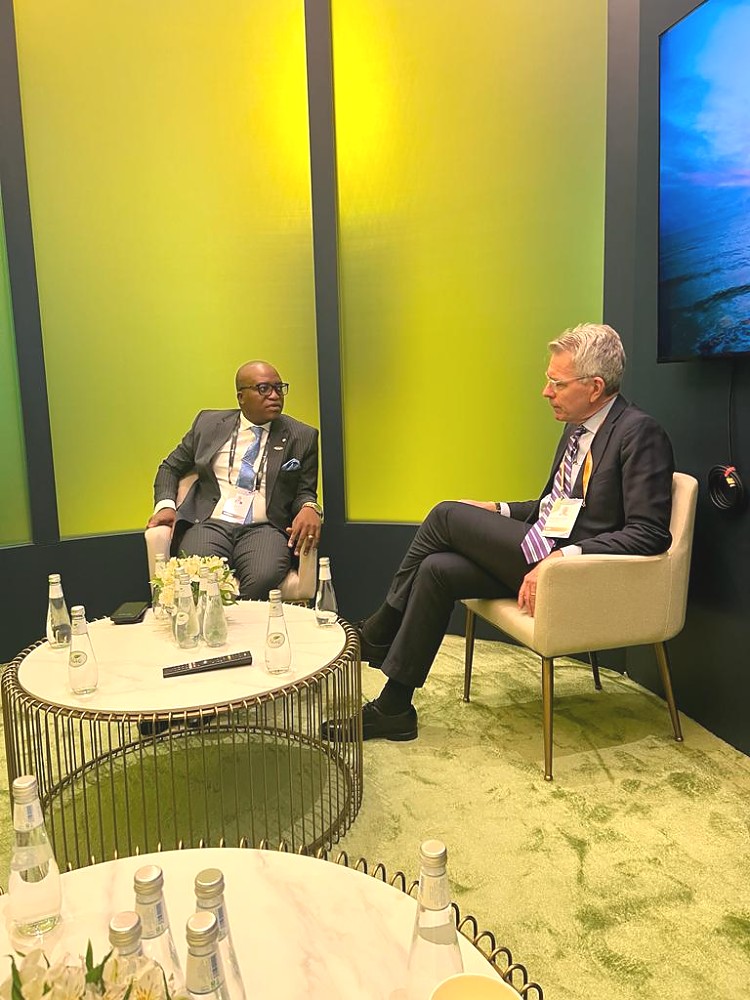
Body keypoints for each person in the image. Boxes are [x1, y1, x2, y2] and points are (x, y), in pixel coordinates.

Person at [325, 323, 674, 743]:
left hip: (574, 573)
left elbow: (649, 533)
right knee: (437, 569)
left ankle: (378, 631)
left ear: (595, 387)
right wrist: (498, 508)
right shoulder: (577, 428)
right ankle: (394, 708)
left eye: (557, 383)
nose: (546, 392)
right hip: (542, 551)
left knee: (444, 514)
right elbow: (552, 506)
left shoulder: (639, 432)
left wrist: (564, 557)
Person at [148, 360, 323, 598]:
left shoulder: (302, 436)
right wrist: (166, 505)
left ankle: (242, 620)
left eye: (279, 388)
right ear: (241, 397)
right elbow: (170, 467)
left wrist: (310, 506)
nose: (275, 395)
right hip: (211, 522)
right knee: (199, 574)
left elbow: (305, 491)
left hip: (264, 527)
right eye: (264, 389)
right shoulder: (208, 424)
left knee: (263, 577)